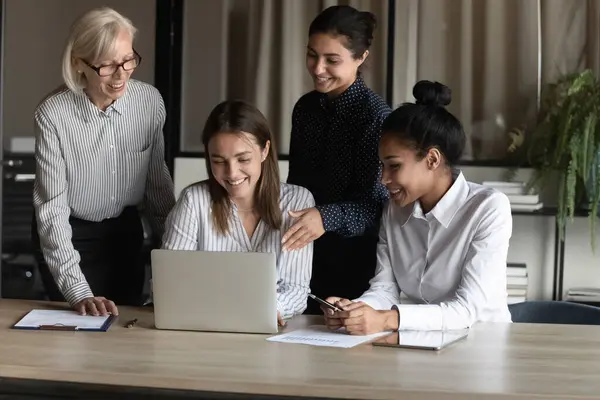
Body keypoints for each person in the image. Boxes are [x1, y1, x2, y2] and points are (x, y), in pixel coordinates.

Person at [322, 81, 513, 334]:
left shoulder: (488, 208)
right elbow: (385, 288)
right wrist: (355, 310)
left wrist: (387, 320)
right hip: (420, 342)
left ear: (432, 159)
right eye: (382, 166)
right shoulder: (394, 209)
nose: (383, 179)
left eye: (394, 166)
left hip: (484, 345)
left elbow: (466, 310)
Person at [32, 7, 175, 317]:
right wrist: (78, 290)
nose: (122, 74)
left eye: (128, 60)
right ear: (79, 64)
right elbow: (52, 210)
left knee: (126, 326)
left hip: (124, 233)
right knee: (79, 330)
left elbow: (158, 189)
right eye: (108, 66)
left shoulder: (150, 103)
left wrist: (177, 259)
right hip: (69, 234)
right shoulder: (53, 115)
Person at [161, 100, 314, 325]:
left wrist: (270, 309)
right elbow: (169, 282)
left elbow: (296, 290)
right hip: (203, 330)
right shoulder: (194, 201)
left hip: (272, 331)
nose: (232, 173)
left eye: (243, 159)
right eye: (219, 161)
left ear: (265, 151)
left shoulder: (298, 201)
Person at [284, 5, 391, 314]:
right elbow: (297, 183)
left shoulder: (375, 117)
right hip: (302, 254)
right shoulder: (305, 108)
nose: (318, 68)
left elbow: (376, 208)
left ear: (361, 58)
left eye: (332, 60)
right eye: (311, 55)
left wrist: (324, 216)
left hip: (356, 261)